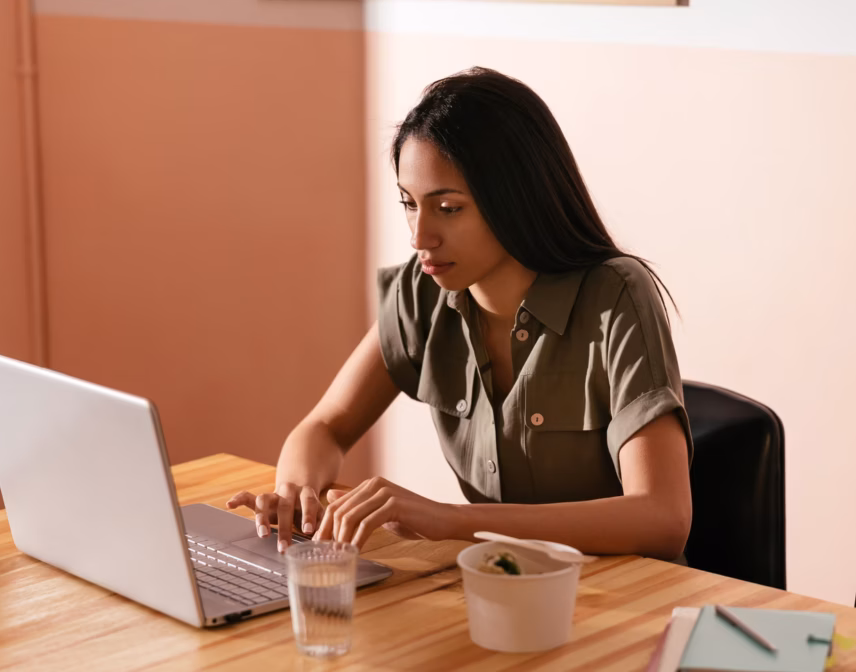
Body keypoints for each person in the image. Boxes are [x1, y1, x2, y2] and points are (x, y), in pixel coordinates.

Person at [228, 67, 692, 561]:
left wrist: (451, 521)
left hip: (622, 603)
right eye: (410, 204)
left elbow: (662, 518)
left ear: (516, 199)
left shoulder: (615, 296)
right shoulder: (424, 288)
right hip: (496, 592)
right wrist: (298, 495)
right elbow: (325, 427)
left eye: (448, 208)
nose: (420, 236)